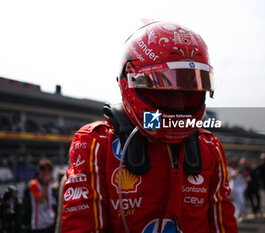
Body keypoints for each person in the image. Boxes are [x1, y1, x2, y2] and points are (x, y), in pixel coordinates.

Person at [61, 21, 237, 232]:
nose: (179, 105)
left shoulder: (210, 147)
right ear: (129, 80)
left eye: (189, 92)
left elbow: (224, 226)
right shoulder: (96, 144)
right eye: (165, 89)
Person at [23, 159, 56, 233]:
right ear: (39, 171)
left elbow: (51, 201)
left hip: (50, 221)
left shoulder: (50, 184)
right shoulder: (33, 184)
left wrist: (53, 213)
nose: (46, 173)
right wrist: (45, 184)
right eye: (44, 170)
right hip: (39, 224)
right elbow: (40, 200)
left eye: (49, 171)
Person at [227, 157, 247, 222]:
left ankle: (241, 215)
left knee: (241, 202)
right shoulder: (228, 169)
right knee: (235, 203)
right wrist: (234, 174)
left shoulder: (238, 170)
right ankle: (237, 215)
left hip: (239, 189)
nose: (235, 164)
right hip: (231, 189)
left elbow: (242, 179)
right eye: (234, 163)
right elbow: (227, 178)